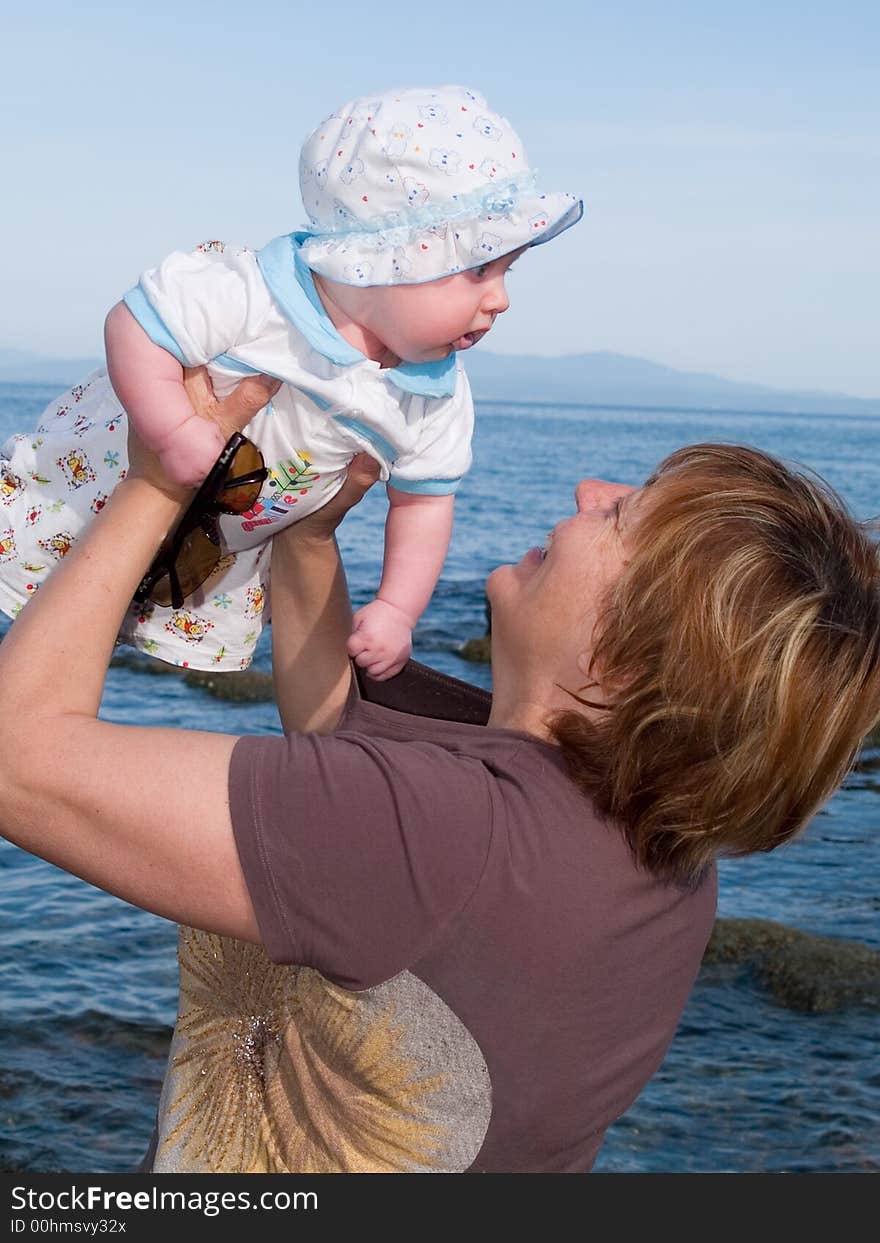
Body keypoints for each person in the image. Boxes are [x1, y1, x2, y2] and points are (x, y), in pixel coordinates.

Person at [1, 372, 878, 1174]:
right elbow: (337, 755)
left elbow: (19, 761)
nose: (589, 491)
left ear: (629, 658)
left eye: (622, 516)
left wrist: (155, 482)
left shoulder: (454, 834)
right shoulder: (645, 846)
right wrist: (310, 536)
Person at [0, 83, 581, 679]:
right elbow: (137, 324)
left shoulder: (432, 394)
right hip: (75, 500)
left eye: (509, 271)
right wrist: (170, 429)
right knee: (37, 661)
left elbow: (424, 504)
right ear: (390, 257)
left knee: (71, 663)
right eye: (480, 269)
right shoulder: (255, 294)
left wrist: (396, 609)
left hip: (206, 563)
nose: (502, 300)